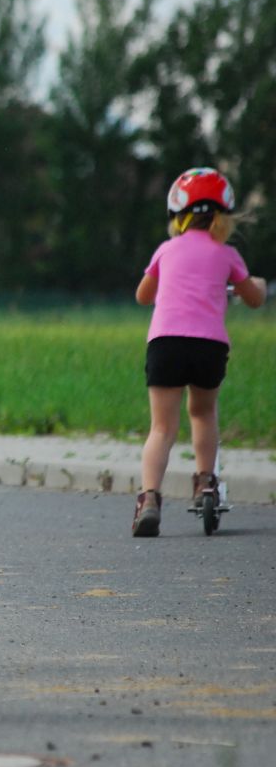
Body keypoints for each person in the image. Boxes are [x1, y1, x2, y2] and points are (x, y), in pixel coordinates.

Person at [131, 167, 267, 537]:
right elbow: (254, 299)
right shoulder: (227, 254)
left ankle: (149, 500)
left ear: (177, 215)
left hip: (165, 344)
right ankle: (206, 484)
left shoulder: (166, 250)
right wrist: (254, 284)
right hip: (209, 346)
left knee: (162, 428)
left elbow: (143, 295)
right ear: (224, 217)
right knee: (203, 413)